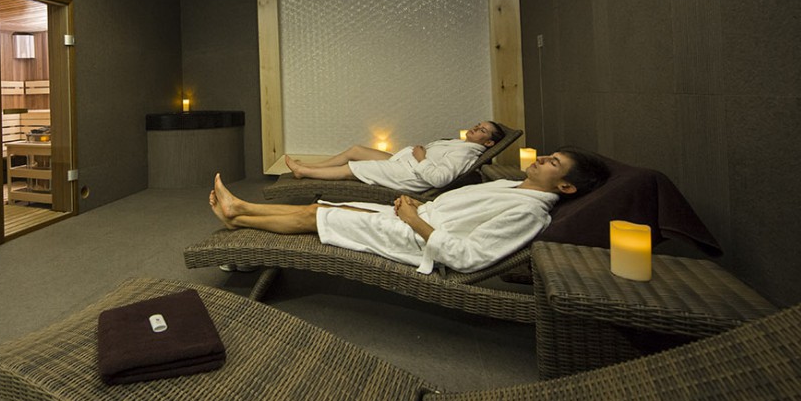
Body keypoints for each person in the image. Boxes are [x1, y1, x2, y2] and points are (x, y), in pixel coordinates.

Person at [209, 147, 609, 274]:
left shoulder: (530, 214)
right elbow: (457, 209)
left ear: (566, 186)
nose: (541, 159)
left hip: (417, 242)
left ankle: (237, 213)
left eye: (553, 163)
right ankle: (238, 210)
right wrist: (421, 205)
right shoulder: (512, 186)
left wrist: (415, 220)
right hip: (417, 218)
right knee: (320, 206)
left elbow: (468, 257)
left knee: (314, 217)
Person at [284, 120, 506, 194]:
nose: (475, 128)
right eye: (478, 125)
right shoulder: (462, 144)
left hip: (410, 176)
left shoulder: (466, 154)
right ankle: (313, 166)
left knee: (354, 168)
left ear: (488, 143)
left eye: (482, 130)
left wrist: (421, 157)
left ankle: (304, 171)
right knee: (356, 150)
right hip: (404, 162)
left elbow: (440, 179)